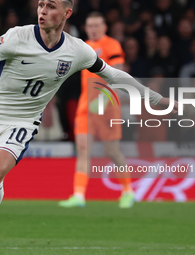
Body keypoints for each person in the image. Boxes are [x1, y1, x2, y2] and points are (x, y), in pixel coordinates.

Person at [0, 1, 177, 255]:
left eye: (51, 6)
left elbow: (115, 75)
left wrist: (155, 99)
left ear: (67, 13)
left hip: (23, 121)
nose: (43, 11)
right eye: (41, 5)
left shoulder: (78, 51)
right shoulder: (17, 37)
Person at [58, 12, 134, 209]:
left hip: (107, 107)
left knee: (112, 151)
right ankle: (79, 195)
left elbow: (119, 76)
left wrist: (102, 98)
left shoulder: (112, 45)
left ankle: (128, 191)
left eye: (97, 25)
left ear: (104, 27)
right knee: (83, 150)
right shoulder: (83, 47)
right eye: (89, 25)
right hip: (86, 106)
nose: (93, 28)